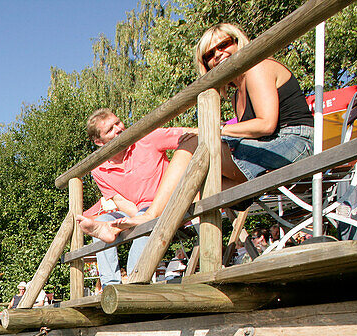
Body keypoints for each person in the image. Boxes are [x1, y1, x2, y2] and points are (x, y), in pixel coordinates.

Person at [79, 23, 314, 257]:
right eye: (209, 54)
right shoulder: (236, 94)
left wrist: (213, 130)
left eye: (223, 45)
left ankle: (149, 217)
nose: (217, 55)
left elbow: (266, 125)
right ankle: (117, 229)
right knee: (193, 193)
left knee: (191, 142)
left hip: (293, 143)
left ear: (238, 41)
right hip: (267, 152)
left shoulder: (257, 66)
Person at [80, 109, 195, 285]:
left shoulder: (145, 138)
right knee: (102, 222)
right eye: (110, 129)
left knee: (143, 226)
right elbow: (119, 200)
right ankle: (110, 284)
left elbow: (188, 134)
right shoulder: (98, 168)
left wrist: (223, 129)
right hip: (136, 210)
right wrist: (136, 218)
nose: (118, 129)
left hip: (165, 203)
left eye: (118, 123)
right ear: (98, 141)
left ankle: (135, 283)